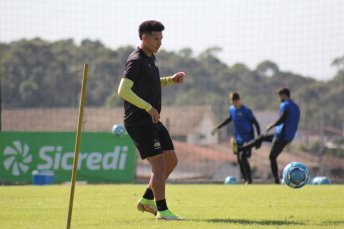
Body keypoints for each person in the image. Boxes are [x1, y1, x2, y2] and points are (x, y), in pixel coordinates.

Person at [117, 20, 185, 220]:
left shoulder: (151, 58)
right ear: (144, 38)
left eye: (161, 39)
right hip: (139, 121)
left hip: (152, 119)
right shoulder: (136, 60)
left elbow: (151, 83)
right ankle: (162, 212)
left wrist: (170, 80)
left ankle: (146, 200)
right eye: (156, 39)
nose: (160, 43)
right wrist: (147, 107)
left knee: (171, 160)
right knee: (159, 164)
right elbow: (122, 90)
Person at [231, 87, 300, 184]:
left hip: (281, 136)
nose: (278, 98)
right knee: (261, 137)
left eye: (279, 96)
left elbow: (282, 119)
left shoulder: (286, 105)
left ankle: (276, 180)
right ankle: (241, 148)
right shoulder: (296, 106)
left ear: (284, 95)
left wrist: (272, 125)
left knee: (272, 157)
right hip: (287, 136)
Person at [211, 92, 260, 185]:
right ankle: (246, 180)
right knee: (239, 159)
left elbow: (255, 123)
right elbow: (229, 119)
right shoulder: (232, 109)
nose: (235, 104)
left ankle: (250, 180)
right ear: (231, 101)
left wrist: (258, 139)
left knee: (243, 157)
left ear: (239, 100)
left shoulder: (246, 111)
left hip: (248, 138)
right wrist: (218, 127)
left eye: (236, 102)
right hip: (238, 138)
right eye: (233, 102)